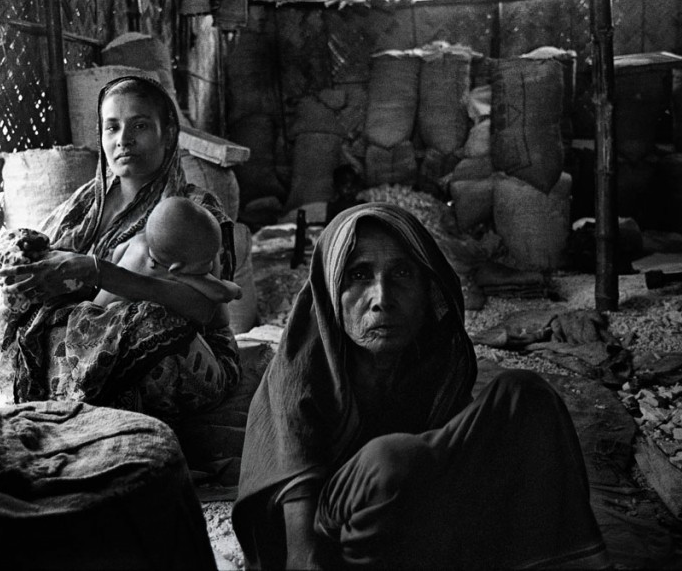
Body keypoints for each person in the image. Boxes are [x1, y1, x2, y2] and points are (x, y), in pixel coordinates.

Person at [233, 203, 609, 569]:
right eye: (359, 275)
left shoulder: (432, 359)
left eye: (401, 274)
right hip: (332, 534)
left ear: (429, 290)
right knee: (390, 461)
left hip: (408, 513)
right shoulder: (300, 371)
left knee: (525, 395)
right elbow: (301, 552)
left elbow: (450, 467)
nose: (382, 299)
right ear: (331, 289)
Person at [0, 76, 241, 418]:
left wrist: (99, 273)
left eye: (139, 125)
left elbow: (208, 311)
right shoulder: (86, 204)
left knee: (152, 319)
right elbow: (46, 259)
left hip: (188, 354)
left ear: (167, 135)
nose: (124, 140)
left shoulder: (192, 210)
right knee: (23, 279)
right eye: (112, 128)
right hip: (90, 340)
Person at [93, 196, 242, 326]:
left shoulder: (133, 242)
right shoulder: (177, 274)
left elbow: (116, 257)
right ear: (177, 268)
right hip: (108, 328)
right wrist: (233, 288)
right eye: (206, 262)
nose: (211, 265)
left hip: (89, 312)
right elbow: (221, 303)